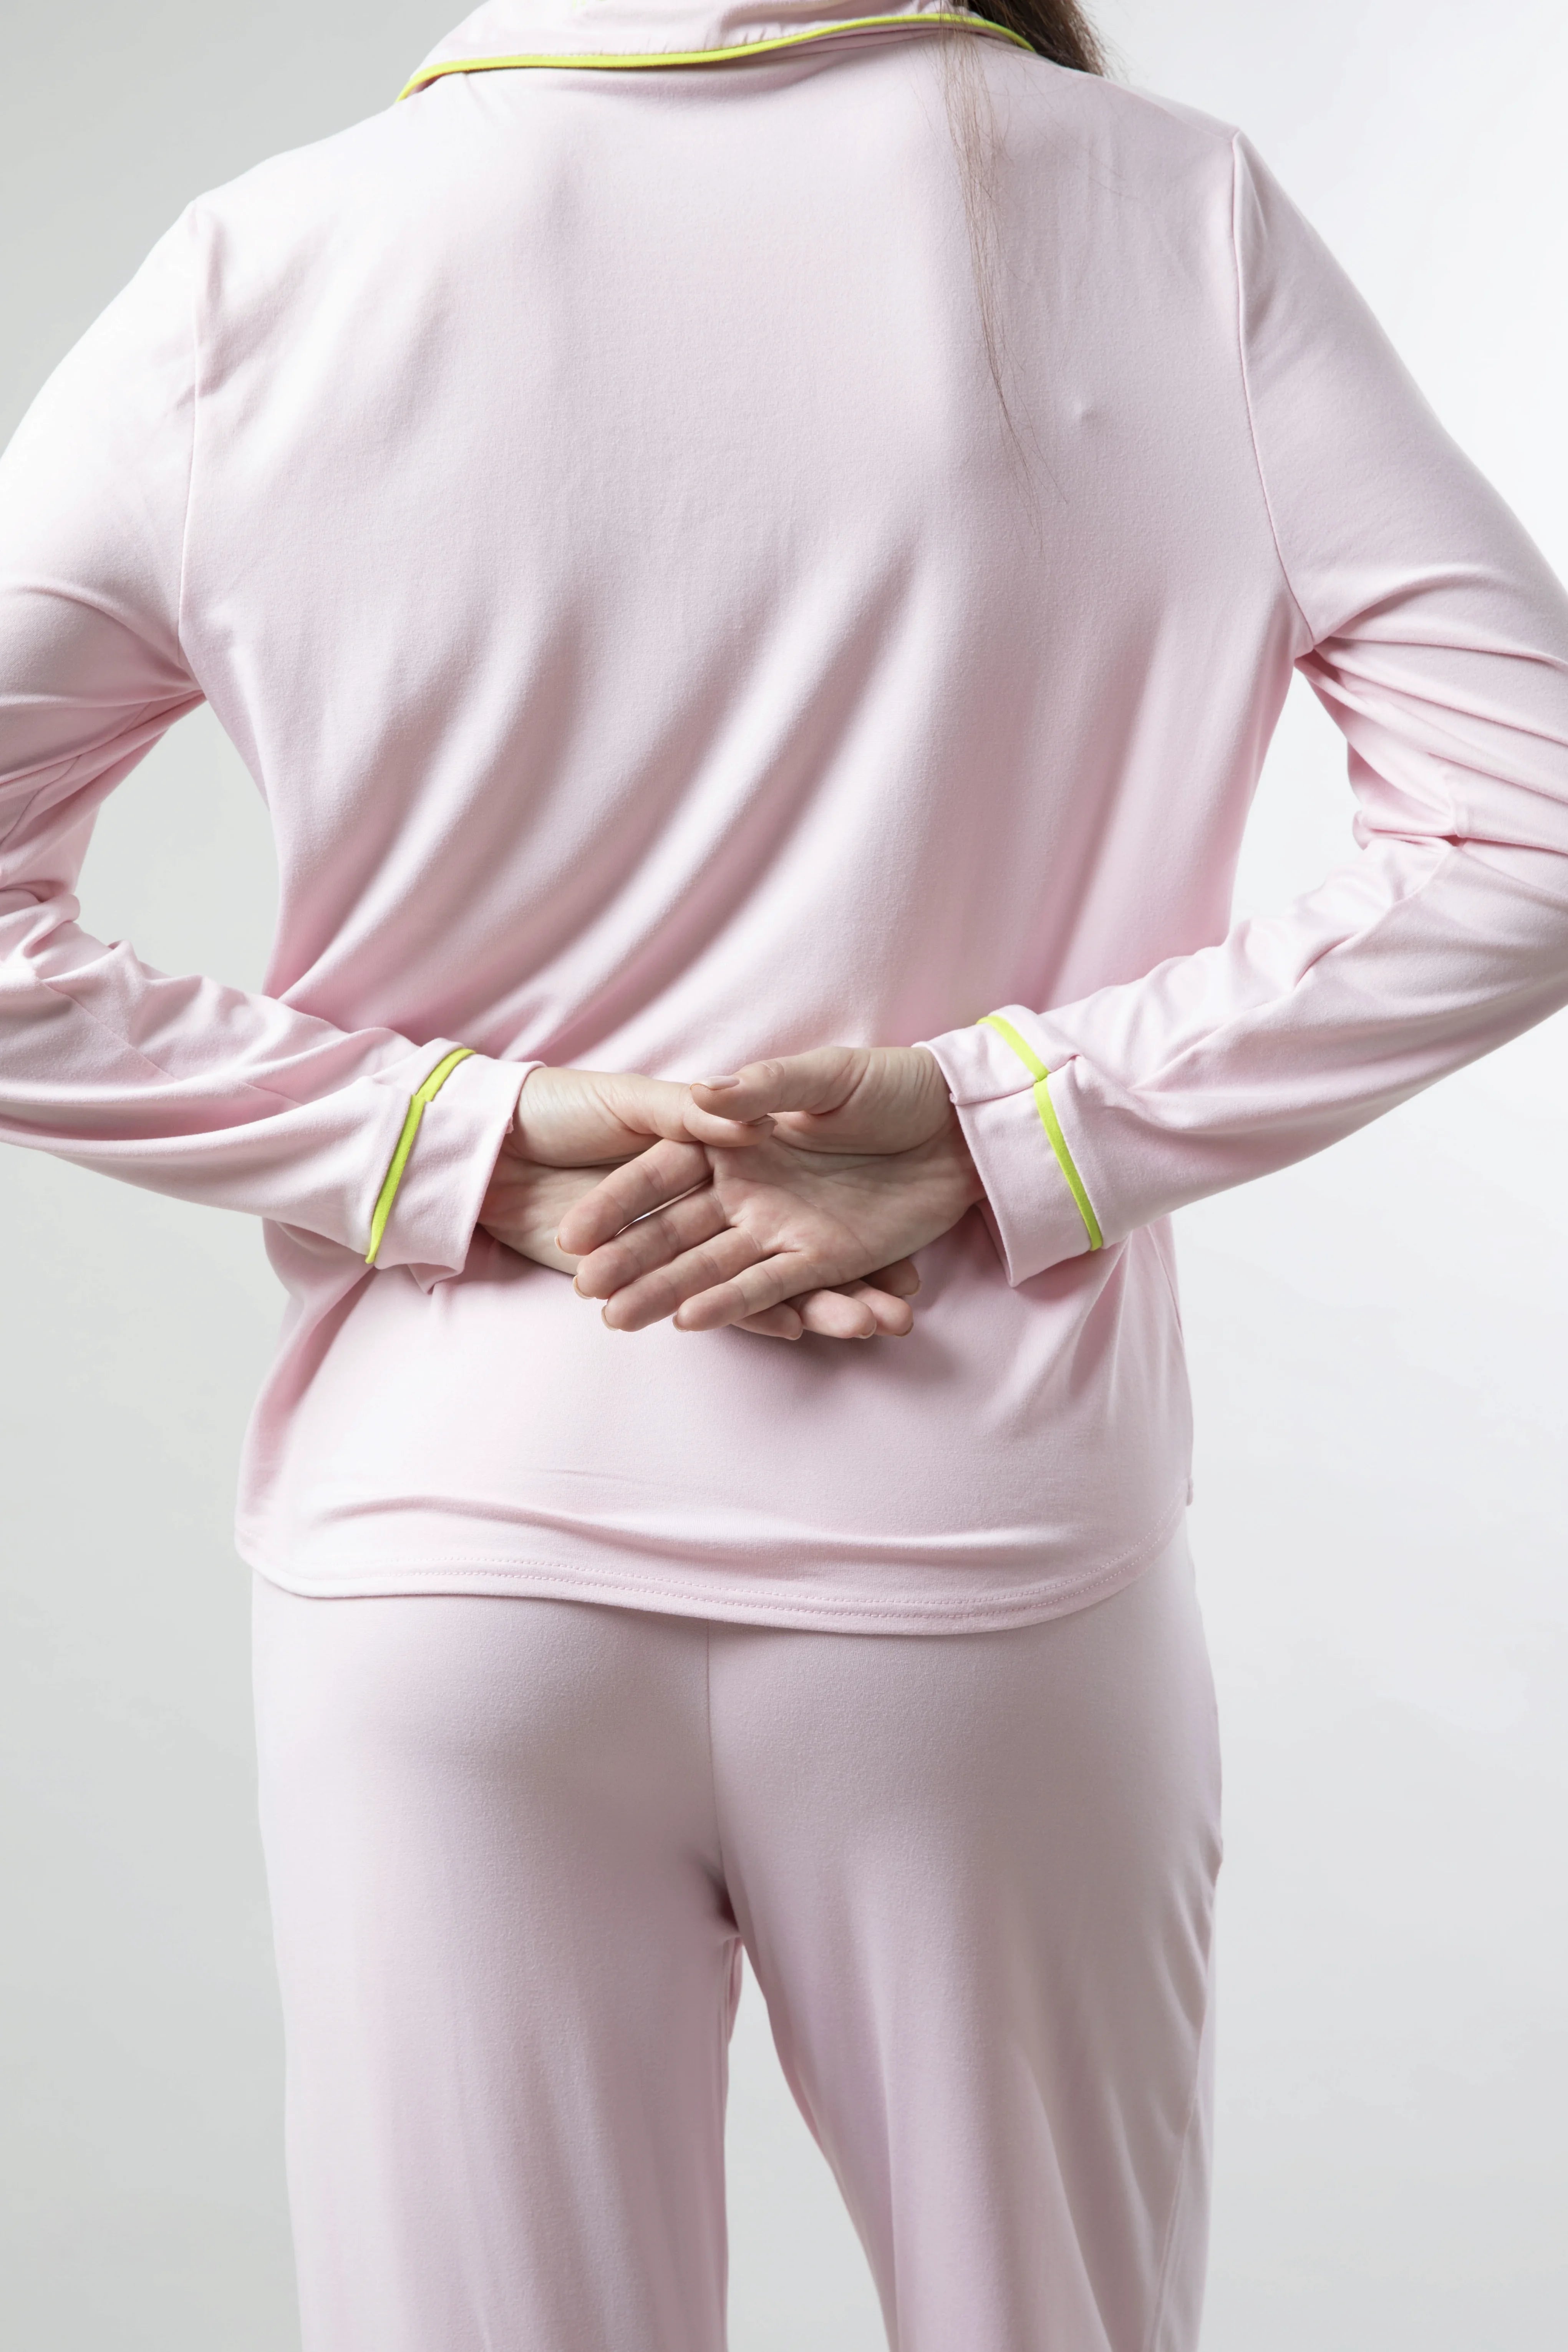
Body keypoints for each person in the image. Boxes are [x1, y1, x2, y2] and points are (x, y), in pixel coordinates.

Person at [3, 2, 1566, 2345]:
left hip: (446, 1554)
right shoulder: (1163, 213)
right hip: (978, 1555)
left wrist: (446, 1150)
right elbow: (1532, 829)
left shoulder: (265, 265)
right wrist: (1005, 1126)